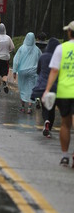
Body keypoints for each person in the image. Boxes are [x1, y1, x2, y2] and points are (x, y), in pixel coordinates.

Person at [43, 21, 74, 165]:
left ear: (69, 32)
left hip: (65, 92)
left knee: (65, 124)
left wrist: (47, 90)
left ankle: (65, 155)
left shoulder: (61, 49)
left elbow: (54, 71)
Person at [32, 37, 59, 137]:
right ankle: (49, 128)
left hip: (42, 87)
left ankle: (46, 121)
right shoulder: (58, 58)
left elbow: (38, 71)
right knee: (51, 108)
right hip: (54, 87)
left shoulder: (43, 57)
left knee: (45, 108)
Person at [12, 32, 41, 113]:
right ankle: (29, 108)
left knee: (23, 88)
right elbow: (40, 60)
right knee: (31, 89)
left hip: (22, 72)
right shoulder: (37, 50)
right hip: (33, 72)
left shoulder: (22, 48)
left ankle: (22, 106)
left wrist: (14, 71)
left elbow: (16, 60)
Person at [0, 23, 15, 95]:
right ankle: (4, 82)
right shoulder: (8, 38)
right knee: (4, 74)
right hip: (6, 58)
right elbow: (12, 47)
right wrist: (8, 51)